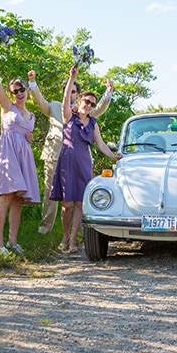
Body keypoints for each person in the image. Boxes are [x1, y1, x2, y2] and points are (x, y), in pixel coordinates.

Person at [28, 70, 112, 235]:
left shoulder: (84, 111)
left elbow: (99, 108)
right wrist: (32, 83)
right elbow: (39, 102)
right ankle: (45, 230)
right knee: (50, 194)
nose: (71, 94)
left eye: (74, 91)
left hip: (76, 160)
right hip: (54, 155)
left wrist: (108, 93)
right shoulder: (55, 107)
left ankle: (76, 232)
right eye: (69, 90)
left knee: (77, 197)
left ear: (78, 95)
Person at [50, 67, 121, 252]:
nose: (89, 105)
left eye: (92, 104)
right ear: (80, 100)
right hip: (66, 163)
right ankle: (64, 237)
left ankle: (73, 240)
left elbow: (101, 145)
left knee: (80, 203)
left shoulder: (93, 123)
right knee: (66, 204)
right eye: (87, 101)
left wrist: (114, 156)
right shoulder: (68, 116)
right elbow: (66, 99)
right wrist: (72, 77)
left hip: (83, 164)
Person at [0, 40, 41, 255]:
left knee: (18, 199)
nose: (19, 93)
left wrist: (29, 138)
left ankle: (12, 242)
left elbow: (26, 134)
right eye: (15, 90)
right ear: (11, 93)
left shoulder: (32, 116)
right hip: (8, 155)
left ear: (26, 90)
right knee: (6, 197)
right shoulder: (7, 107)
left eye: (22, 89)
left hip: (24, 156)